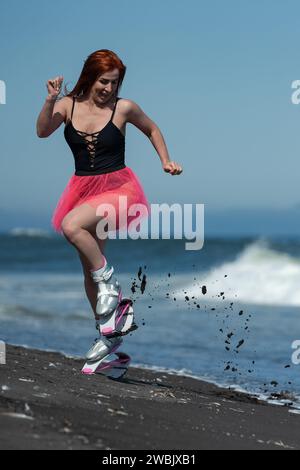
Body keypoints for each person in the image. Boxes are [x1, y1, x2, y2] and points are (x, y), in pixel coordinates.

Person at [36, 49, 183, 362]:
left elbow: (152, 128)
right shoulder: (67, 105)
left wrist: (166, 160)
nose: (110, 89)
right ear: (90, 77)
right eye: (105, 81)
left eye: (115, 83)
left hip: (119, 188)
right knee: (88, 270)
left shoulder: (123, 108)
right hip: (82, 190)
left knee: (71, 226)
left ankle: (112, 284)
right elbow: (42, 131)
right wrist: (50, 99)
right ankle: (109, 337)